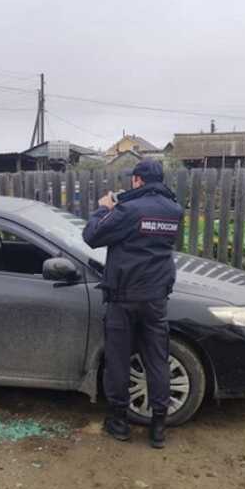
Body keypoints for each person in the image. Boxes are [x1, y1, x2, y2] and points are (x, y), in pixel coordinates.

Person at [82, 159, 183, 448]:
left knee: (118, 359)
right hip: (156, 297)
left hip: (124, 296)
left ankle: (118, 423)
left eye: (132, 180)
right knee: (156, 358)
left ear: (138, 180)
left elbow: (91, 236)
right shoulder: (174, 209)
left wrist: (105, 207)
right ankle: (158, 428)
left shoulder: (129, 209)